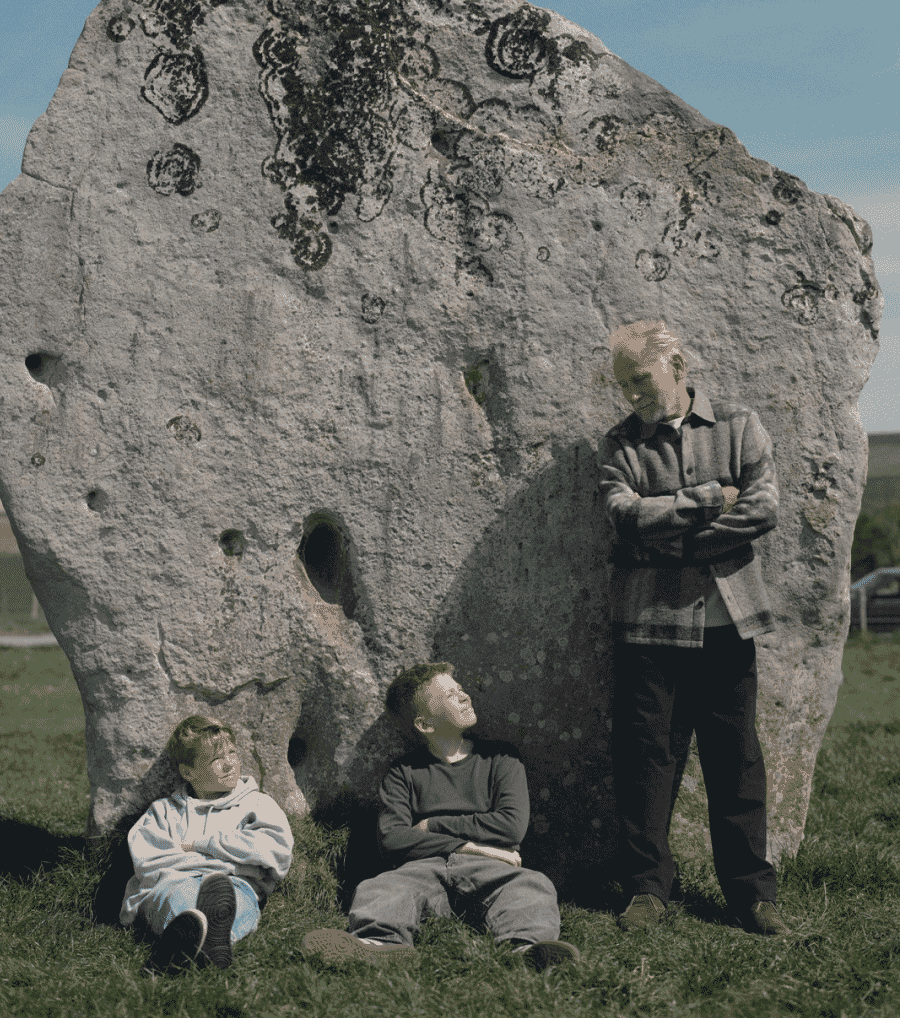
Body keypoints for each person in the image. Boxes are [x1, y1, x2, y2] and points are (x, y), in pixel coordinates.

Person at [600, 319, 789, 936]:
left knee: (736, 762)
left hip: (726, 625)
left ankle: (752, 895)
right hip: (647, 628)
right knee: (646, 763)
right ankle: (647, 892)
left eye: (640, 379)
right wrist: (710, 500)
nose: (632, 394)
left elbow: (764, 507)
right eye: (623, 384)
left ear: (677, 365)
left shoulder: (739, 424)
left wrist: (669, 538)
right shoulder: (620, 443)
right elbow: (624, 517)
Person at [301, 662, 581, 969]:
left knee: (530, 886)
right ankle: (380, 945)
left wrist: (432, 825)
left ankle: (526, 950)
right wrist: (468, 846)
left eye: (460, 688)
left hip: (491, 869)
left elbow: (511, 826)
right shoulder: (403, 773)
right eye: (449, 695)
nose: (464, 696)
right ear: (425, 724)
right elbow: (392, 838)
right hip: (426, 869)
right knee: (381, 887)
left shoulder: (501, 759)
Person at [120, 716, 294, 972]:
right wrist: (229, 862)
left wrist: (199, 844)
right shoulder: (164, 811)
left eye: (232, 753)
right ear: (189, 771)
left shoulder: (258, 804)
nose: (229, 765)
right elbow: (150, 862)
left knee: (233, 900)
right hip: (174, 883)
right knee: (178, 897)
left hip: (234, 886)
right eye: (216, 760)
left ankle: (183, 951)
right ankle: (207, 947)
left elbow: (275, 851)